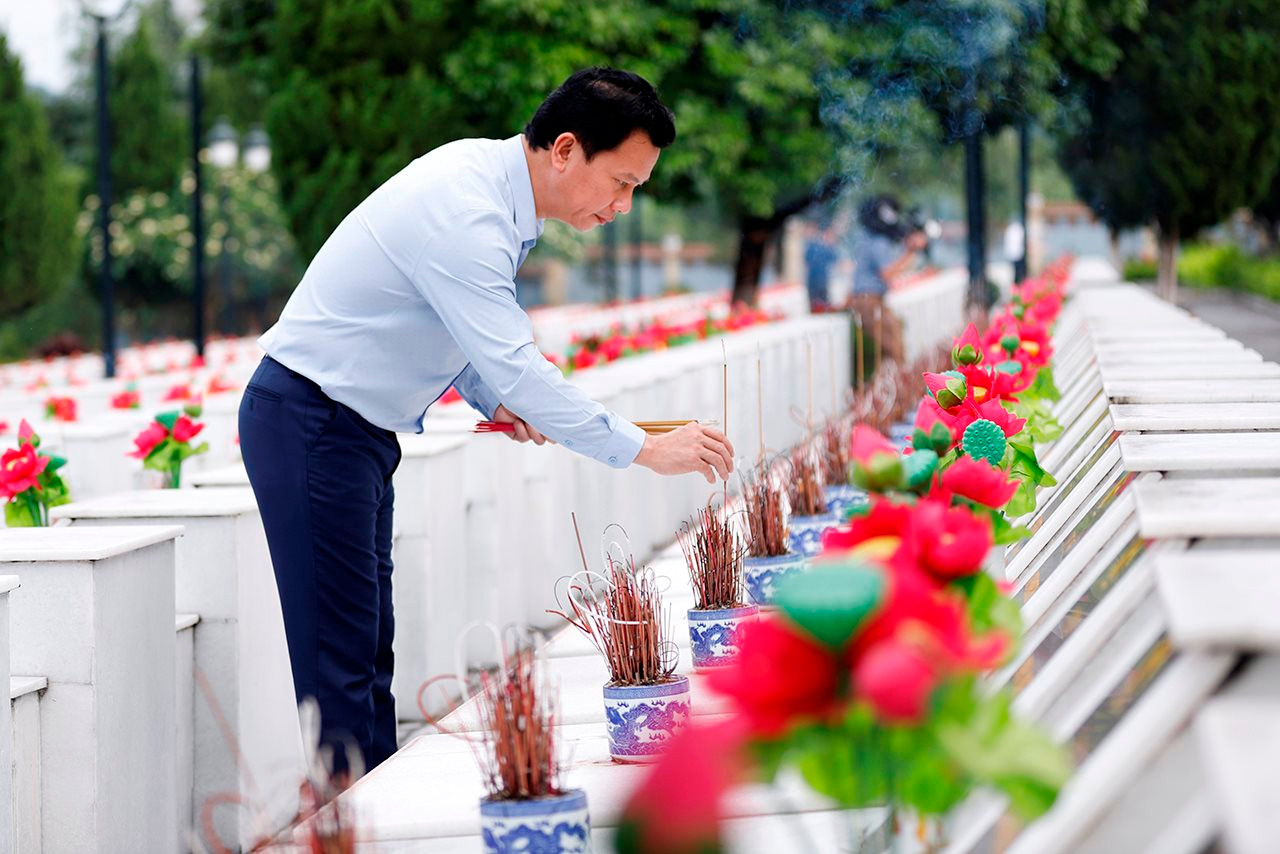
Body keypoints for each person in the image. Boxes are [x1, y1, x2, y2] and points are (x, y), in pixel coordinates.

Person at [238, 68, 735, 776]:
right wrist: (645, 448)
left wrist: (491, 398)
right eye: (622, 183)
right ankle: (345, 833)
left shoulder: (492, 193)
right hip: (311, 423)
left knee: (365, 652)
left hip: (348, 431)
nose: (624, 206)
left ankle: (368, 820)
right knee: (339, 669)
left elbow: (458, 337)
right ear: (565, 150)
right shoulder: (466, 211)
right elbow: (520, 366)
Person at [849, 195, 927, 365]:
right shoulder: (878, 241)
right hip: (868, 301)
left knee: (892, 343)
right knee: (895, 346)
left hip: (870, 299)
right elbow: (887, 273)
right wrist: (910, 251)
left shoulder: (872, 238)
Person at [803, 222, 840, 312]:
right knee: (822, 305)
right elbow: (835, 260)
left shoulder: (813, 245)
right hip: (819, 280)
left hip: (815, 279)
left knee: (816, 305)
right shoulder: (823, 246)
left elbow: (806, 262)